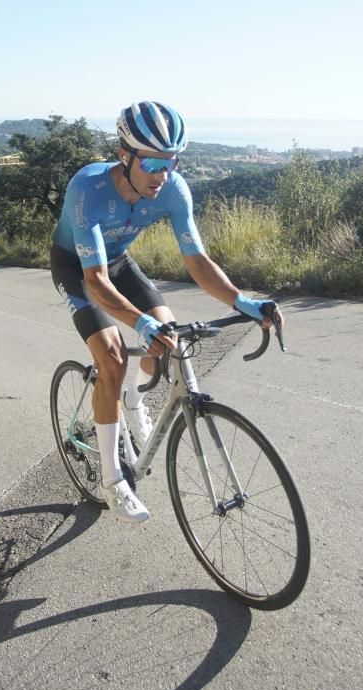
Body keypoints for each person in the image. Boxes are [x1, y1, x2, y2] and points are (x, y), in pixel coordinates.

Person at [51, 100, 283, 525]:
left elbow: (197, 262)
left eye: (172, 161)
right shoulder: (88, 188)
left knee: (168, 336)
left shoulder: (173, 188)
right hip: (78, 267)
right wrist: (139, 322)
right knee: (113, 355)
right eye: (154, 162)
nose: (163, 173)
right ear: (126, 156)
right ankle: (112, 480)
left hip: (118, 261)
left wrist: (245, 302)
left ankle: (135, 406)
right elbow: (97, 281)